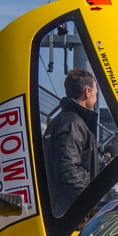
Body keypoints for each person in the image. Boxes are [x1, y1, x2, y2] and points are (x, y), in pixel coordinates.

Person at [44, 68, 99, 214]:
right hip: (69, 211)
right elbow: (68, 170)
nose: (96, 98)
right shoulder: (73, 124)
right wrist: (87, 206)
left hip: (60, 207)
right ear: (87, 92)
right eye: (95, 94)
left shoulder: (62, 121)